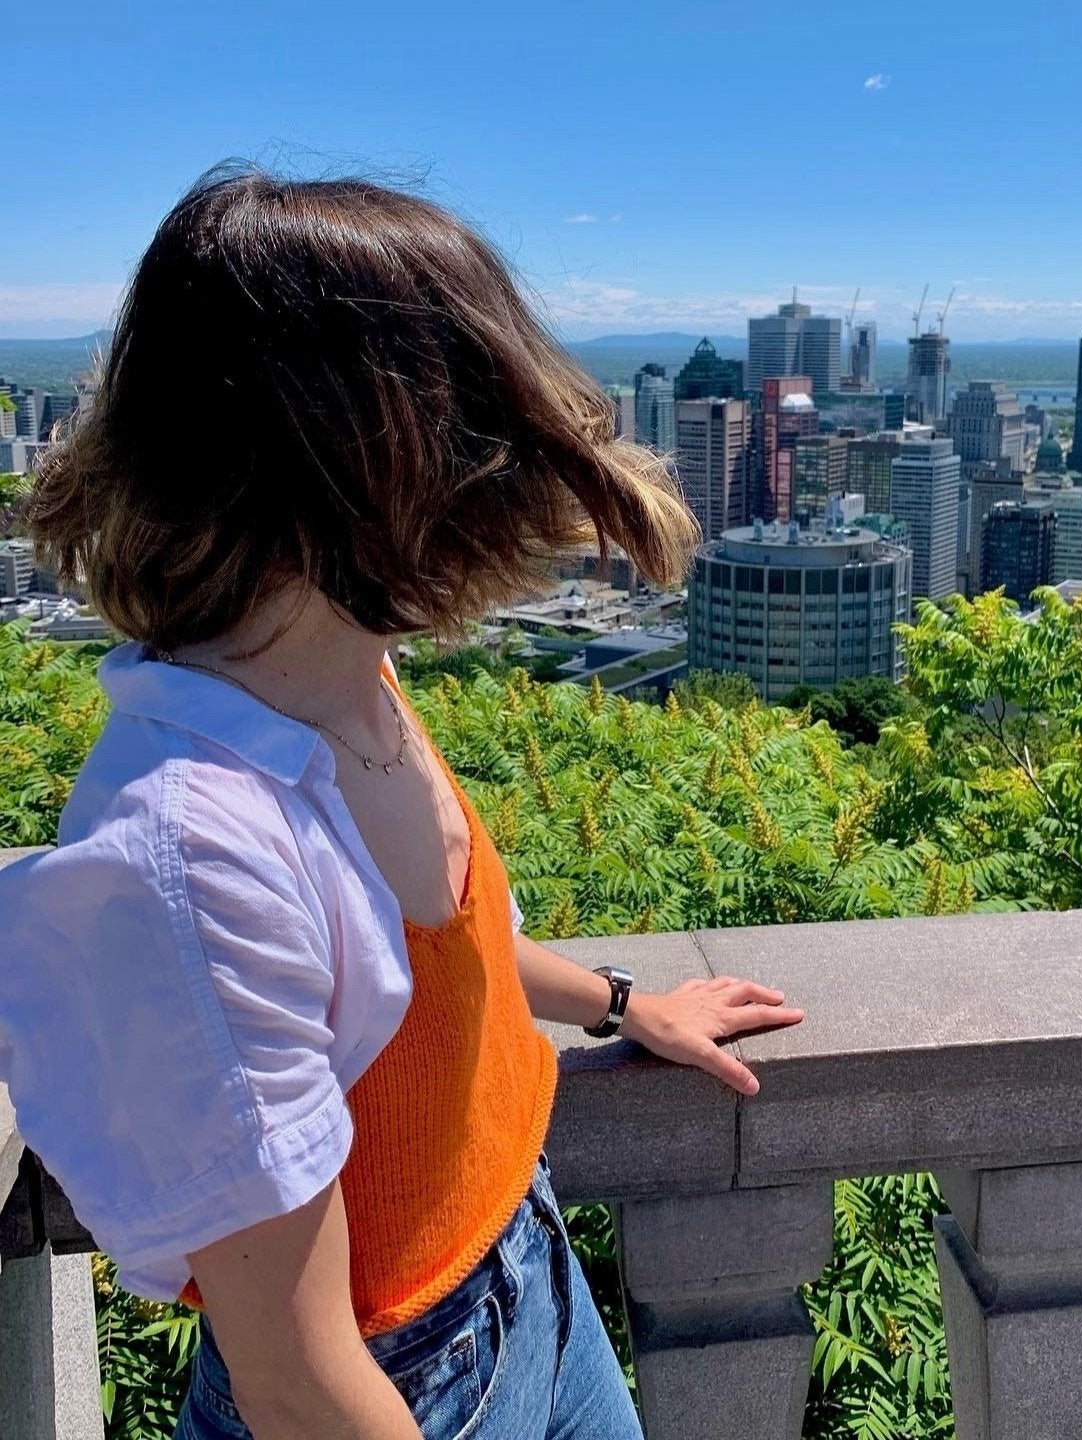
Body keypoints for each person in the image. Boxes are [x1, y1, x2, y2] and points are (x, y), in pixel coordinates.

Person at [0, 165, 805, 1440]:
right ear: (367, 468)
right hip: (403, 1384)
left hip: (528, 1267)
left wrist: (617, 1002)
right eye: (486, 447)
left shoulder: (341, 668)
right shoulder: (193, 856)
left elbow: (424, 955)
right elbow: (295, 1379)